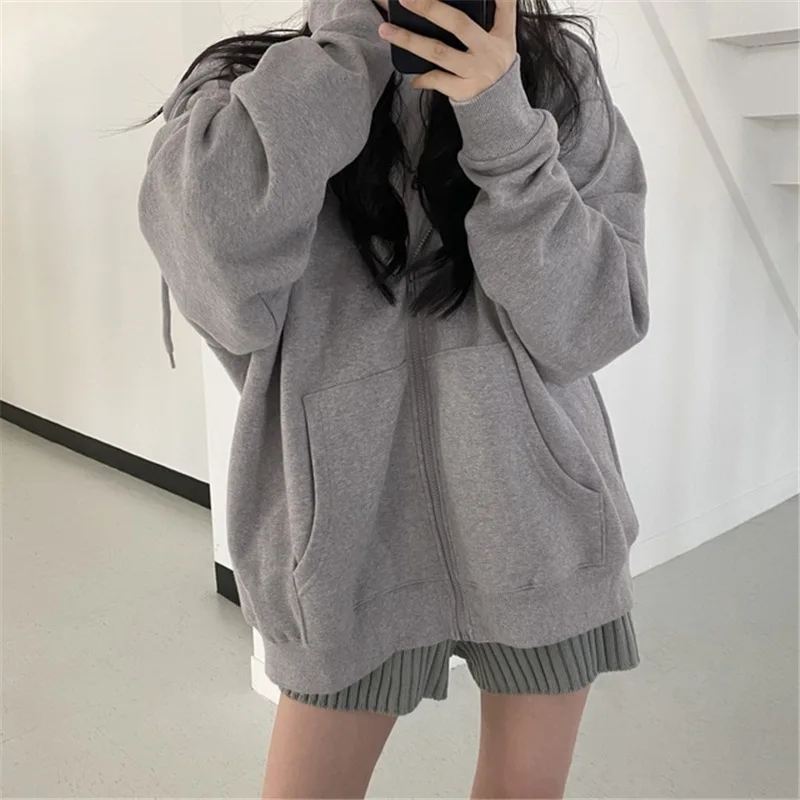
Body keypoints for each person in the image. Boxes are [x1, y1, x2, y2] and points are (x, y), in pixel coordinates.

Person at [137, 0, 649, 795]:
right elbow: (220, 288)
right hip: (342, 552)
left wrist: (501, 119)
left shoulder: (556, 80)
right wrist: (351, 49)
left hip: (540, 528)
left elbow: (595, 325)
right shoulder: (242, 86)